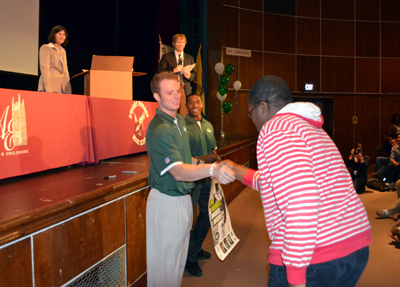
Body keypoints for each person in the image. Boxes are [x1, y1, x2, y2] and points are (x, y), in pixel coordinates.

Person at [222, 75, 371, 287]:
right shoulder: (307, 127)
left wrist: (295, 275)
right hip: (351, 244)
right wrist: (237, 170)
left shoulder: (275, 129)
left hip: (318, 256)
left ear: (262, 107)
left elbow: (302, 198)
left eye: (250, 113)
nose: (252, 120)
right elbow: (282, 184)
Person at [145, 72, 235, 287]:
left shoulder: (179, 122)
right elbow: (177, 171)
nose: (176, 96)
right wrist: (212, 170)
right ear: (156, 96)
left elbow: (188, 161)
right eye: (169, 92)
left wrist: (208, 165)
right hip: (167, 202)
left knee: (177, 262)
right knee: (164, 270)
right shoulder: (161, 128)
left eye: (178, 90)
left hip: (184, 198)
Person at [184, 93, 220, 277]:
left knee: (207, 216)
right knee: (189, 221)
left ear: (202, 104)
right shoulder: (182, 126)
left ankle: (195, 249)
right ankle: (189, 259)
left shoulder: (208, 125)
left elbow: (213, 148)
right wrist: (204, 159)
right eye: (190, 103)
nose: (194, 105)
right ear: (186, 106)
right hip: (191, 180)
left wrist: (214, 157)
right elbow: (183, 158)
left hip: (208, 178)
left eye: (197, 102)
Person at [38, 25, 72, 94]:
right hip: (50, 87)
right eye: (59, 34)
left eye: (64, 34)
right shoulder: (46, 48)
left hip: (62, 89)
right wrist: (48, 89)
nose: (62, 36)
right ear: (54, 35)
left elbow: (65, 71)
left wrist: (68, 91)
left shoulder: (63, 51)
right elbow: (45, 69)